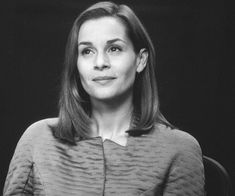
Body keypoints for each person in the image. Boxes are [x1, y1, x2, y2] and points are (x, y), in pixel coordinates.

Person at [3, 1, 205, 196]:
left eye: (114, 49)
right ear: (77, 63)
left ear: (140, 60)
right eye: (87, 51)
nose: (100, 62)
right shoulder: (38, 138)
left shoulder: (180, 149)